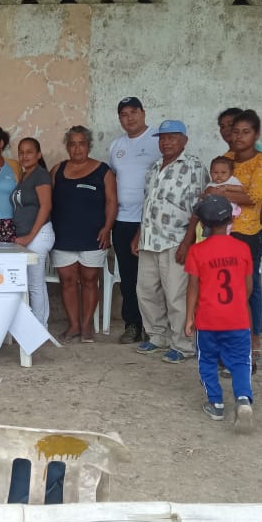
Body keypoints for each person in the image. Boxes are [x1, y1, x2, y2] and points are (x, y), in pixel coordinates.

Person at [132, 120, 208, 364]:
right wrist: (138, 234)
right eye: (163, 138)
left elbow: (199, 208)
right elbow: (148, 204)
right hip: (149, 239)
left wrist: (187, 242)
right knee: (146, 291)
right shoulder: (154, 167)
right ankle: (158, 337)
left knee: (176, 295)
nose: (166, 142)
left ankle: (183, 344)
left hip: (176, 239)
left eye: (172, 137)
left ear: (184, 140)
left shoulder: (194, 166)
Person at [184, 195, 255, 433]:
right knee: (240, 361)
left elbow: (192, 288)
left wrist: (189, 317)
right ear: (231, 219)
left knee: (207, 361)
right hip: (237, 318)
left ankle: (216, 404)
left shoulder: (197, 251)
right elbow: (248, 287)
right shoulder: (243, 248)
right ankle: (243, 399)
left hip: (208, 319)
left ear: (203, 225)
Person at [216, 110, 262, 368]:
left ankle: (247, 350)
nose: (238, 136)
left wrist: (220, 191)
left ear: (256, 134)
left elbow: (254, 196)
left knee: (242, 294)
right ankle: (230, 348)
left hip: (247, 234)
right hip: (222, 233)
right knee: (225, 292)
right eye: (235, 131)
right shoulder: (227, 158)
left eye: (245, 132)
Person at [50, 126, 116, 343]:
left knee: (90, 280)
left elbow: (111, 202)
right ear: (67, 147)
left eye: (82, 144)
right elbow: (47, 201)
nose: (77, 148)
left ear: (89, 146)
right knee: (67, 281)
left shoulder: (103, 171)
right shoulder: (57, 170)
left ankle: (87, 326)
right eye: (73, 144)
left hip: (93, 236)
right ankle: (73, 326)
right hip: (63, 235)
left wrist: (107, 228)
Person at [107, 96, 159, 344]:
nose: (129, 118)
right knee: (128, 278)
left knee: (152, 278)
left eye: (133, 112)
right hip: (122, 220)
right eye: (124, 114)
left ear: (143, 113)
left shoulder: (158, 140)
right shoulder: (116, 146)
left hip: (152, 221)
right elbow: (113, 180)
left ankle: (154, 327)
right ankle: (132, 325)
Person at [11, 137, 54, 327]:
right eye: (21, 152)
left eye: (29, 152)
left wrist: (30, 236)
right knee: (31, 283)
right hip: (27, 236)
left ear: (38, 154)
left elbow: (46, 206)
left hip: (38, 235)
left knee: (35, 284)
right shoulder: (24, 176)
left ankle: (39, 327)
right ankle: (37, 325)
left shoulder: (40, 175)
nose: (24, 156)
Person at [207, 156, 243, 231]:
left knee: (225, 229)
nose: (219, 175)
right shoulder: (211, 184)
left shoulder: (232, 180)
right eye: (215, 172)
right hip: (214, 213)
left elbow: (241, 189)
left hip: (228, 212)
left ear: (231, 173)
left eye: (223, 172)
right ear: (210, 173)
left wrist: (227, 187)